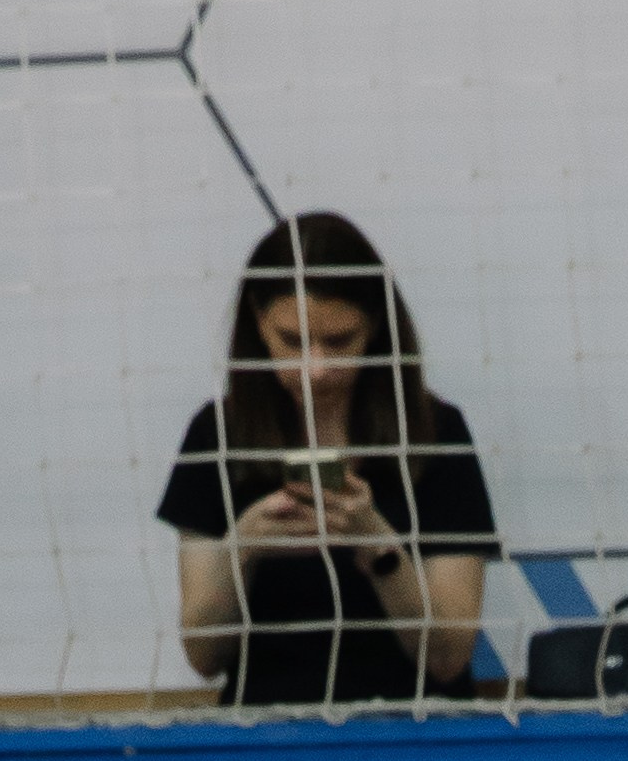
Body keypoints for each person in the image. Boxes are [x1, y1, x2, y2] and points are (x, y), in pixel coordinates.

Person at [159, 212, 499, 706]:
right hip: (269, 734)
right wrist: (244, 548)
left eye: (339, 342)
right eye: (292, 342)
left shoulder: (434, 432)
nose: (316, 369)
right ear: (257, 322)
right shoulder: (217, 434)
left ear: (377, 327)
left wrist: (378, 546)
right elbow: (204, 657)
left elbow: (447, 656)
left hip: (416, 732)